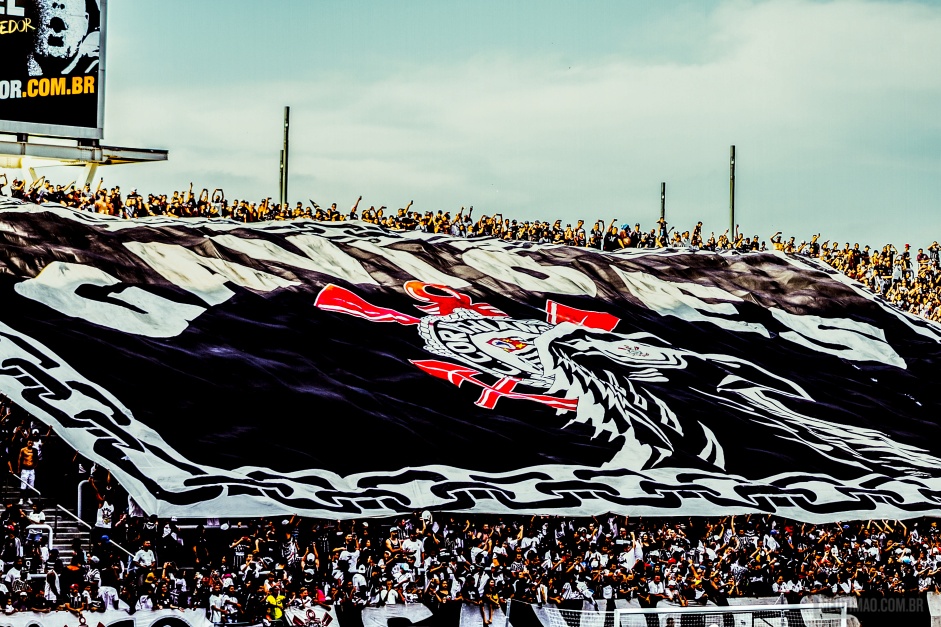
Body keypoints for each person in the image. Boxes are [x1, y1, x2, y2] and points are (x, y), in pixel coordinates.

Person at [28, 0, 99, 77]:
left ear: (85, 24)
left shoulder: (94, 67)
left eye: (61, 26)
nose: (56, 31)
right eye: (53, 25)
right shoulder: (16, 64)